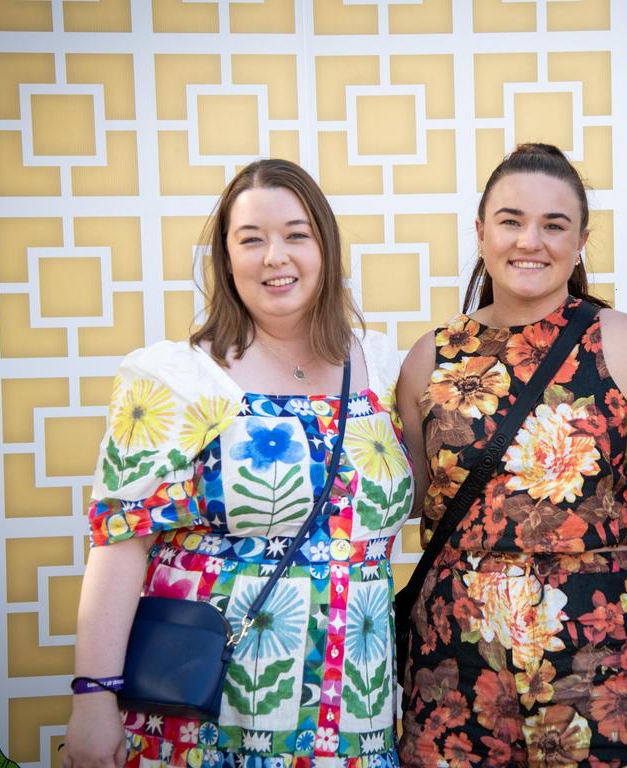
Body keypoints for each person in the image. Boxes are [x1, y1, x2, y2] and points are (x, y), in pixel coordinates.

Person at [63, 159, 413, 768]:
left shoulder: (381, 369)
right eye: (251, 239)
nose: (275, 256)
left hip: (353, 709)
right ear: (226, 260)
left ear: (325, 247)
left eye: (296, 235)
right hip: (206, 710)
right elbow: (119, 543)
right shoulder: (179, 378)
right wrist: (93, 699)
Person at [396, 143, 627, 767]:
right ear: (480, 233)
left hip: (607, 658)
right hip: (455, 657)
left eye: (554, 225)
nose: (531, 240)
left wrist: (611, 515)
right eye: (510, 220)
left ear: (581, 240)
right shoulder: (432, 357)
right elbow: (414, 498)